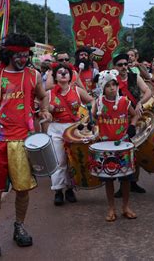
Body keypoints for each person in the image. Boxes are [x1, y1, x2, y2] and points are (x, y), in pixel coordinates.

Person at [0, 33, 51, 260]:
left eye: (26, 55)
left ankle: (19, 226)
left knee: (22, 188)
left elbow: (43, 96)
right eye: (19, 55)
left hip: (23, 139)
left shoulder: (34, 75)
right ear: (9, 54)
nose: (23, 59)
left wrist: (44, 110)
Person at [92, 69, 138, 222]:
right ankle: (111, 208)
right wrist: (95, 130)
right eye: (108, 85)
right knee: (109, 178)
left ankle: (125, 207)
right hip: (105, 147)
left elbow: (135, 114)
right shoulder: (98, 103)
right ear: (102, 88)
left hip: (123, 145)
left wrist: (132, 125)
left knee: (126, 178)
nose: (112, 88)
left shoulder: (124, 101)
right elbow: (93, 118)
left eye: (114, 84)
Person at [48, 63, 93, 205]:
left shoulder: (78, 91)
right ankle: (58, 191)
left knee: (72, 160)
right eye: (59, 72)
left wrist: (87, 116)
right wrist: (46, 112)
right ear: (55, 76)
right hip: (55, 128)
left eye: (65, 72)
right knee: (59, 160)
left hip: (74, 129)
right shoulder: (49, 94)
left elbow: (92, 101)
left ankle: (70, 189)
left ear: (70, 76)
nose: (63, 74)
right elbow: (43, 111)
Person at [112, 53, 152, 195]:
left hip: (136, 117)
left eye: (125, 64)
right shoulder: (111, 81)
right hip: (118, 120)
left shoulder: (135, 77)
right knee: (120, 151)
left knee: (135, 150)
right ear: (114, 67)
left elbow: (148, 92)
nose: (123, 67)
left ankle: (133, 182)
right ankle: (122, 185)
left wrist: (140, 102)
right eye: (120, 64)